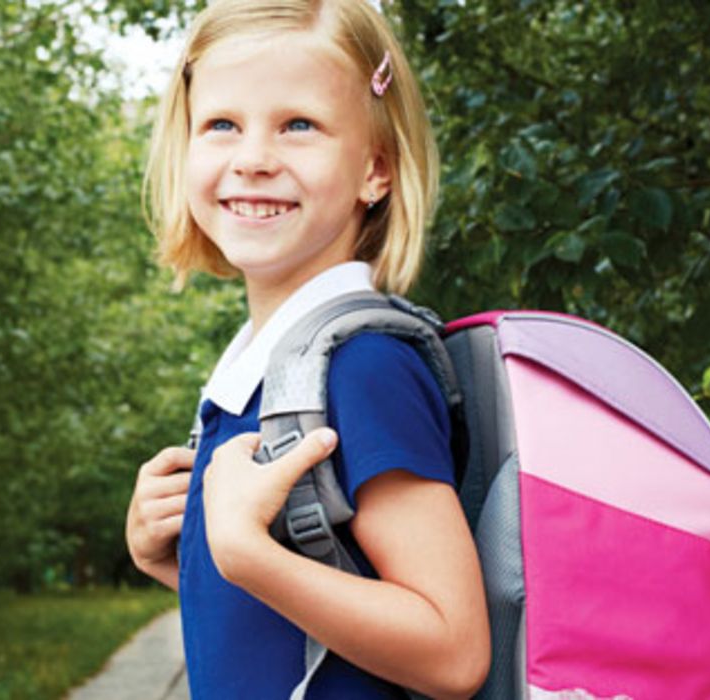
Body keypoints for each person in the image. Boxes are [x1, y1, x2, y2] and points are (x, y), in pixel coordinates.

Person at [124, 1, 490, 698]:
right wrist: (175, 557)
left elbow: (452, 651)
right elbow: (294, 623)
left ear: (374, 171)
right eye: (221, 125)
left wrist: (243, 552)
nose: (254, 159)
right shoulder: (259, 369)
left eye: (299, 126)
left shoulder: (363, 366)